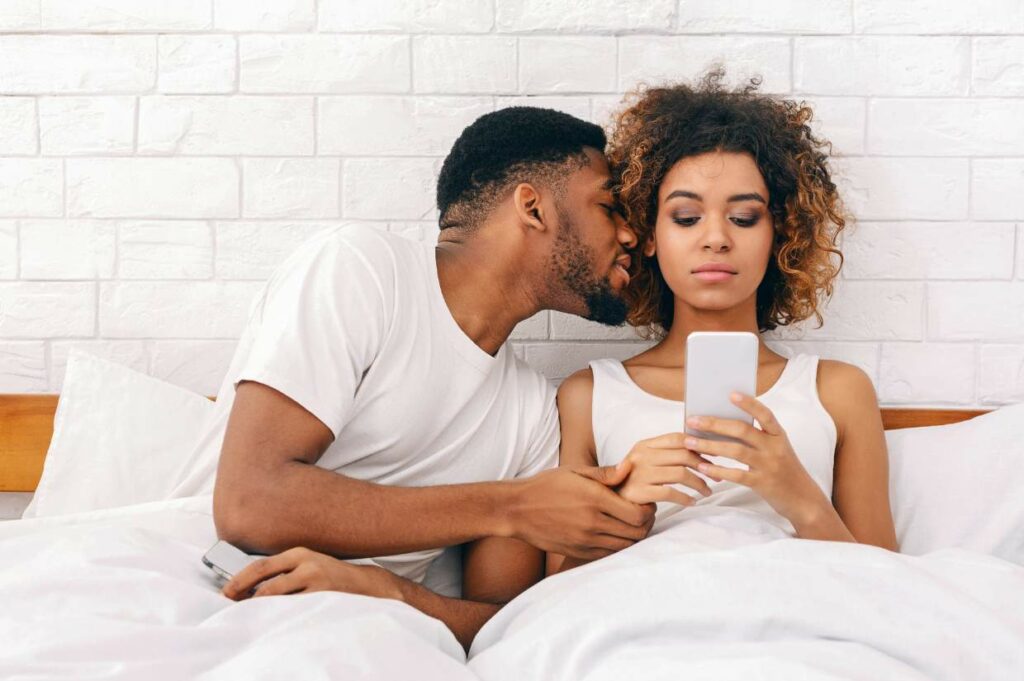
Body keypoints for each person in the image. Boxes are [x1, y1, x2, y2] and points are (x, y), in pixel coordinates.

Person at [185, 106, 656, 650]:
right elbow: (250, 504)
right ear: (532, 207)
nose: (632, 237)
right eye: (608, 206)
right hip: (206, 591)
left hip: (366, 642)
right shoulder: (362, 270)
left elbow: (502, 626)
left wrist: (386, 592)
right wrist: (511, 506)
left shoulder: (531, 413)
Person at [550, 71, 899, 575]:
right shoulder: (588, 393)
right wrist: (624, 504)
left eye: (744, 218)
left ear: (781, 234)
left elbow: (893, 586)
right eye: (687, 218)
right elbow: (553, 593)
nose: (715, 239)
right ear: (649, 235)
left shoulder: (839, 391)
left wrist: (799, 496)